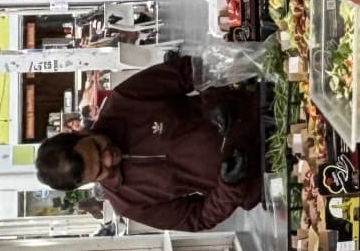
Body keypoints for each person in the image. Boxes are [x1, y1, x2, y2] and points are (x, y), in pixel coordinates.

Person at [34, 56, 261, 232]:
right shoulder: (129, 204)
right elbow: (198, 217)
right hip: (260, 177)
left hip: (259, 113)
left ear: (81, 133)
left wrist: (216, 101)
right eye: (101, 171)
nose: (109, 159)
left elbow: (188, 70)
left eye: (98, 148)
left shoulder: (124, 100)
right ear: (87, 183)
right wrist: (230, 186)